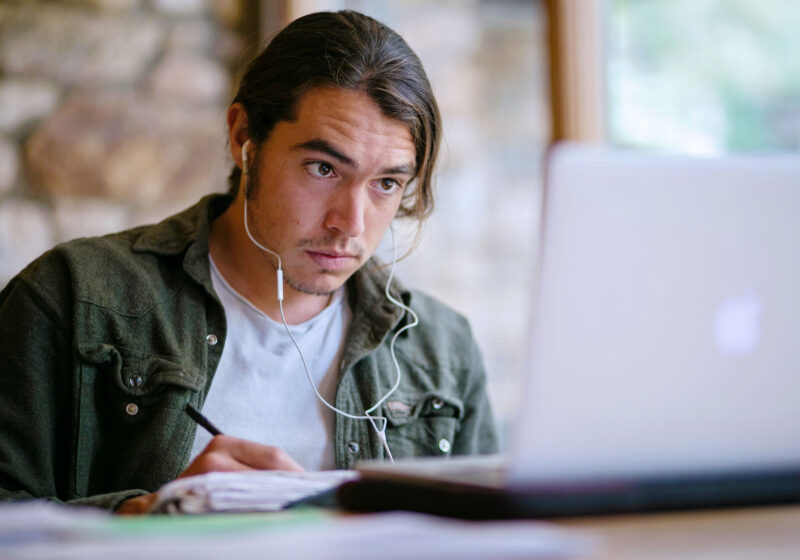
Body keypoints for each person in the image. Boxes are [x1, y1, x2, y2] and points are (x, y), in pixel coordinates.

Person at [0, 10, 498, 514]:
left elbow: (490, 538)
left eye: (386, 183)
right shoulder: (73, 298)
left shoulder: (443, 351)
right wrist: (143, 517)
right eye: (323, 168)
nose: (350, 222)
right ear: (244, 138)